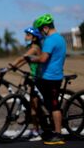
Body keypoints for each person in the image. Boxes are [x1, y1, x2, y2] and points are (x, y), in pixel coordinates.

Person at [26, 14, 67, 145]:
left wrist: (32, 59)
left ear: (45, 28)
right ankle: (50, 129)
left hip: (51, 78)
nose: (40, 34)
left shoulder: (50, 40)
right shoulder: (60, 38)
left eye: (39, 31)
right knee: (49, 104)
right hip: (51, 76)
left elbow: (43, 58)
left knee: (54, 106)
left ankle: (58, 135)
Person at [8, 27, 44, 141]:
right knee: (35, 105)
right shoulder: (31, 47)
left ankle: (37, 131)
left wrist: (10, 66)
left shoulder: (35, 48)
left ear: (34, 38)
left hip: (39, 79)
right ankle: (38, 128)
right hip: (35, 78)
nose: (25, 37)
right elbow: (25, 61)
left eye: (28, 35)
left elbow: (22, 57)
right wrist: (15, 67)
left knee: (34, 106)